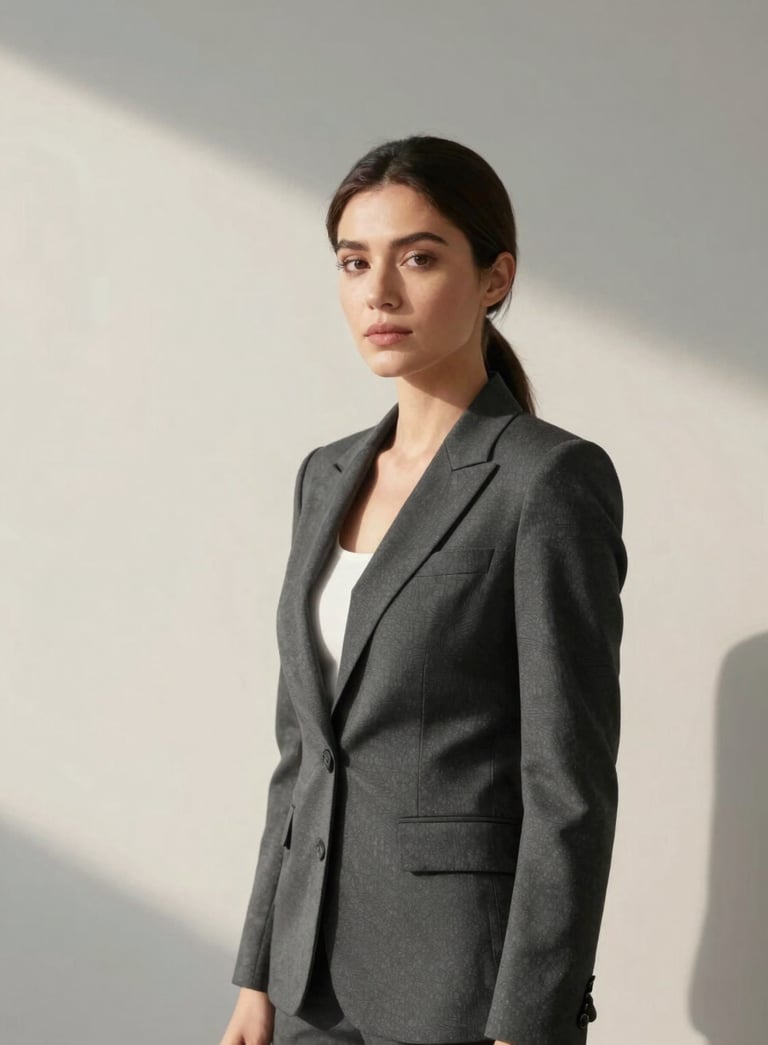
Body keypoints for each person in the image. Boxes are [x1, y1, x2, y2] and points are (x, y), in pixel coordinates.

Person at [219, 135, 628, 1045]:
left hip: (463, 994)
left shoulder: (545, 479)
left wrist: (529, 1017)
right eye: (356, 262)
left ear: (494, 277)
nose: (380, 292)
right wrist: (257, 978)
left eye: (419, 256)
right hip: (305, 990)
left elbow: (568, 783)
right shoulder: (324, 477)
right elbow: (301, 759)